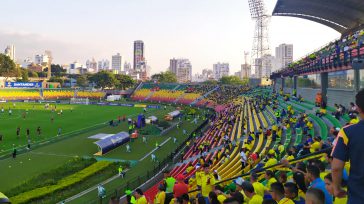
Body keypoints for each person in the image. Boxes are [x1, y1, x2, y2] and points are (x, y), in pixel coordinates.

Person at [331, 91, 364, 203]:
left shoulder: (347, 132)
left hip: (358, 196)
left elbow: (336, 167)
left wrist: (336, 189)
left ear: (358, 108)